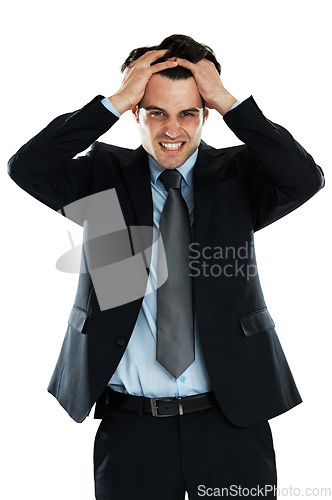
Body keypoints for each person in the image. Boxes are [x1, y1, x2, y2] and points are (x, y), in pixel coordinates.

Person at [7, 34, 325, 500]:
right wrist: (111, 101)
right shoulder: (102, 179)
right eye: (155, 111)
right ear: (135, 111)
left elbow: (305, 178)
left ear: (206, 114)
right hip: (131, 428)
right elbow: (28, 168)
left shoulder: (238, 177)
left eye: (188, 113)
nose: (171, 129)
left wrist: (229, 102)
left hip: (230, 421)